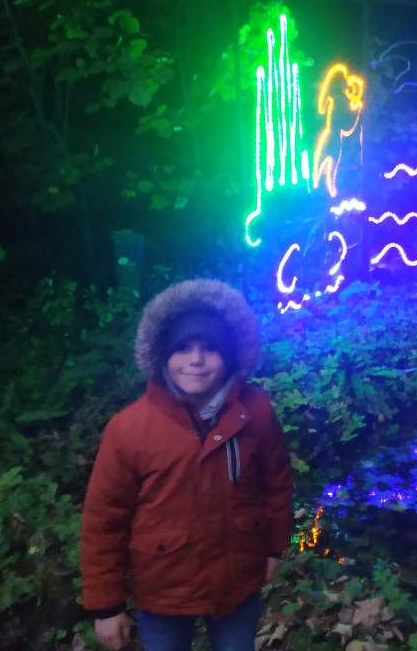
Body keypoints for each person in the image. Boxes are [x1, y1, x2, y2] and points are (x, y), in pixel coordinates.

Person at [80, 279, 294, 651]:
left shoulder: (255, 412)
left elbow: (276, 485)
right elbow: (104, 521)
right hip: (164, 591)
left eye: (210, 349)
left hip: (237, 583)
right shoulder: (129, 429)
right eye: (182, 349)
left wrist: (274, 549)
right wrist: (106, 605)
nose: (196, 360)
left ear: (228, 357)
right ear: (163, 357)